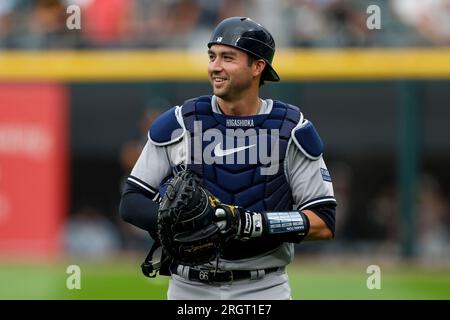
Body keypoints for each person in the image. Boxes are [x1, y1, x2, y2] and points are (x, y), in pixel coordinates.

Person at [119, 16, 337, 300]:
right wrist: (174, 221)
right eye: (212, 56)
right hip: (189, 288)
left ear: (258, 66)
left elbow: (323, 220)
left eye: (228, 58)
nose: (215, 66)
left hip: (263, 289)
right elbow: (131, 200)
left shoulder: (291, 129)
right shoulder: (180, 122)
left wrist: (253, 224)